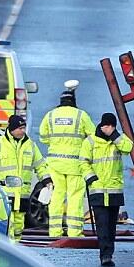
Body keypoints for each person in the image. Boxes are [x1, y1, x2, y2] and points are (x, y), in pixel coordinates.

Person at [39, 87, 95, 237]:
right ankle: (74, 231)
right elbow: (92, 137)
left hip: (55, 163)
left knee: (56, 196)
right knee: (75, 197)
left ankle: (54, 231)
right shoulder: (81, 115)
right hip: (75, 165)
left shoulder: (50, 115)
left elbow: (43, 137)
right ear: (74, 102)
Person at [0, 115, 50, 241]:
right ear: (12, 129)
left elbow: (40, 165)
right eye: (20, 128)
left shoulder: (30, 145)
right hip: (4, 194)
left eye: (24, 128)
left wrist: (47, 180)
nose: (23, 131)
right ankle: (7, 249)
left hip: (22, 194)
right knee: (5, 224)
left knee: (18, 226)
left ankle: (15, 248)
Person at [80, 112, 133, 267]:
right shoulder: (90, 141)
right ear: (101, 125)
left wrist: (115, 135)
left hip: (114, 190)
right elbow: (83, 162)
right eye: (106, 126)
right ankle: (105, 255)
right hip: (97, 190)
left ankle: (109, 252)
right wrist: (91, 178)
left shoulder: (117, 141)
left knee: (111, 226)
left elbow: (128, 147)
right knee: (101, 224)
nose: (108, 128)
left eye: (111, 126)